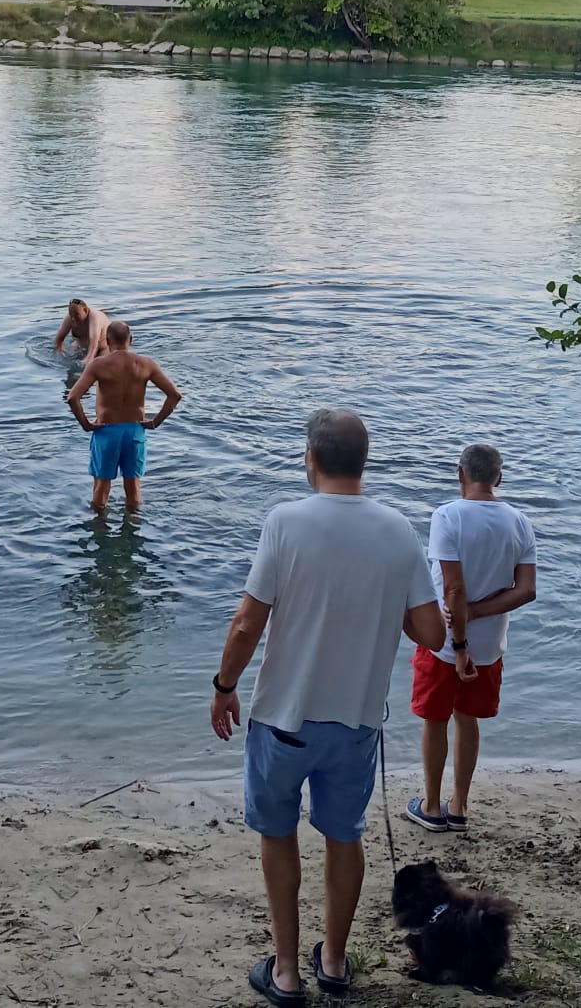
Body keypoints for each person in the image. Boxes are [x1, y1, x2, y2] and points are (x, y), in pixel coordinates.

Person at [209, 409, 446, 1005]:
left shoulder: (285, 521)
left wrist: (223, 685)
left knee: (278, 835)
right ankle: (334, 963)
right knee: (344, 837)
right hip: (356, 723)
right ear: (363, 463)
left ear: (309, 460)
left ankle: (287, 972)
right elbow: (431, 633)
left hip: (284, 719)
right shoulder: (397, 530)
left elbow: (246, 623)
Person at [406, 443, 536, 833]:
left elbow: (454, 589)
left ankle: (431, 805)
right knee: (467, 720)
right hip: (490, 647)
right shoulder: (519, 521)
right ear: (498, 477)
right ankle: (459, 805)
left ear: (460, 474)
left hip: (446, 645)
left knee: (435, 720)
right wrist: (479, 616)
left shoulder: (448, 516)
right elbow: (526, 590)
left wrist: (459, 641)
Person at [65, 320, 180, 511]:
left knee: (101, 489)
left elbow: (73, 398)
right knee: (133, 491)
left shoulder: (98, 365)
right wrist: (155, 422)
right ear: (131, 340)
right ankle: (132, 530)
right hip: (135, 431)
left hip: (107, 432)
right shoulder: (146, 364)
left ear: (107, 341)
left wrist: (86, 424)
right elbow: (175, 395)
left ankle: (100, 529)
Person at [52, 297, 112, 366]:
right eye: (71, 315)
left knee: (100, 365)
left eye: (77, 314)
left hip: (102, 348)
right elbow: (59, 339)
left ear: (85, 310)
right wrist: (59, 352)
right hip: (80, 346)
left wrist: (89, 358)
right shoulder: (70, 318)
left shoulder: (94, 317)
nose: (73, 318)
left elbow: (94, 342)